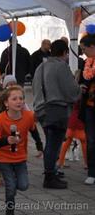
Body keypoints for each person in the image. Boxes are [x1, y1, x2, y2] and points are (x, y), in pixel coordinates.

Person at [33, 39, 81, 189]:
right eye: (67, 54)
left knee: (50, 143)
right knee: (54, 144)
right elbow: (71, 91)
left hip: (41, 109)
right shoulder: (61, 66)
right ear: (65, 52)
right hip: (56, 109)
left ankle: (51, 171)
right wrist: (79, 88)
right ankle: (49, 177)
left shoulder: (41, 66)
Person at [0, 85, 39, 215]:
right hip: (3, 158)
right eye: (14, 99)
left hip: (20, 157)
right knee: (10, 188)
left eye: (21, 98)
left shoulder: (28, 116)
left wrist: (39, 146)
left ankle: (13, 184)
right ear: (6, 103)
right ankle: (9, 211)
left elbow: (33, 130)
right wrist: (6, 140)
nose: (19, 101)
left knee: (23, 186)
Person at [79, 34, 95, 185]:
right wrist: (81, 87)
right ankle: (92, 172)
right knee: (90, 140)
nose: (83, 52)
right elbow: (82, 80)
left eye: (84, 49)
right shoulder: (86, 63)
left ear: (92, 47)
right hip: (90, 107)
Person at [57, 101, 87, 169]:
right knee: (84, 142)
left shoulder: (72, 95)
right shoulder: (81, 95)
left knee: (67, 141)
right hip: (80, 120)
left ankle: (60, 162)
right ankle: (87, 164)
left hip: (72, 120)